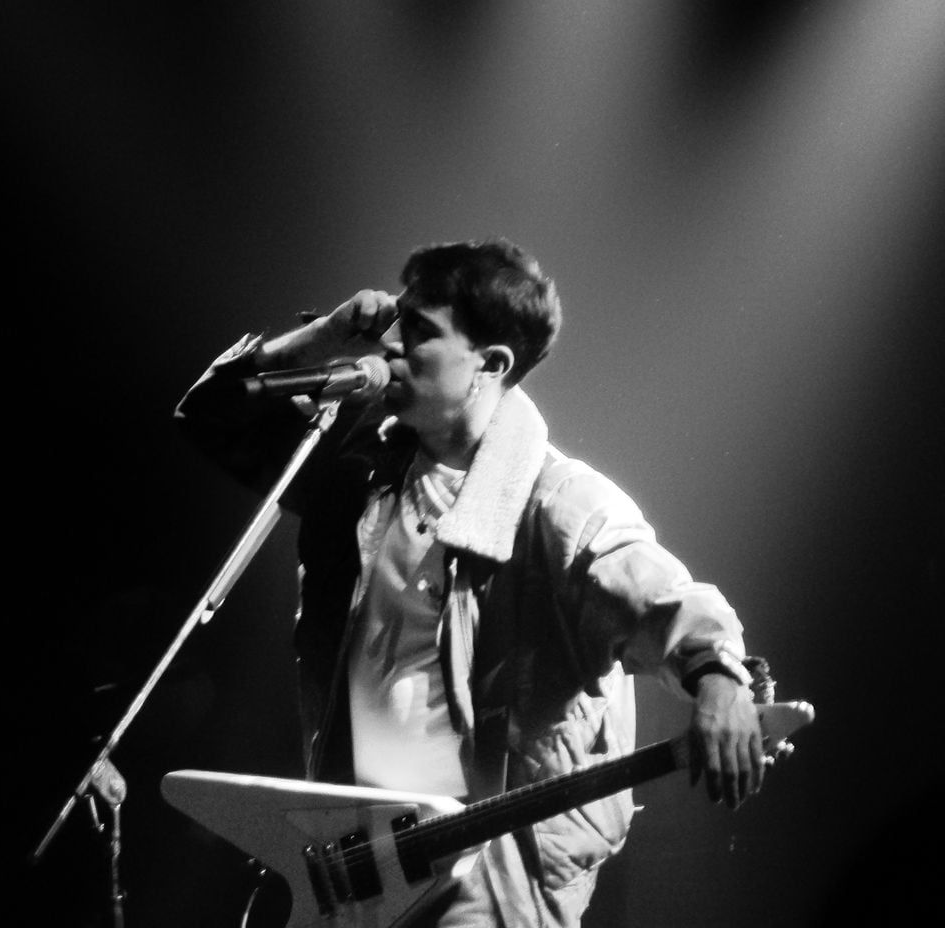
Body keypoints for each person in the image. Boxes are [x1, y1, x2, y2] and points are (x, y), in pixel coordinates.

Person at [175, 238, 764, 927]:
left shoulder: (556, 502)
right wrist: (324, 336)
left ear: (491, 365)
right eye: (397, 324)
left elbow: (662, 595)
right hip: (356, 857)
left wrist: (720, 677)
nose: (391, 347)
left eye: (420, 333)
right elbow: (212, 418)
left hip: (484, 879)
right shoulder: (361, 467)